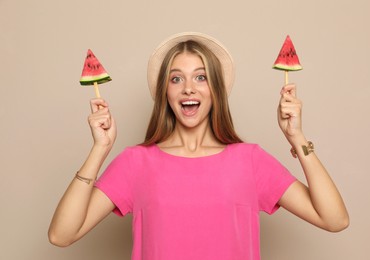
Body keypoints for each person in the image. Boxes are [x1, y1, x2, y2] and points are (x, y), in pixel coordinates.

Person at [48, 32, 349, 259]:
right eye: (176, 79)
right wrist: (99, 150)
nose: (188, 88)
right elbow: (61, 235)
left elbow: (335, 220)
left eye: (200, 77)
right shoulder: (135, 162)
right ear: (165, 92)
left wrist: (297, 138)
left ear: (215, 90)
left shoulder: (250, 160)